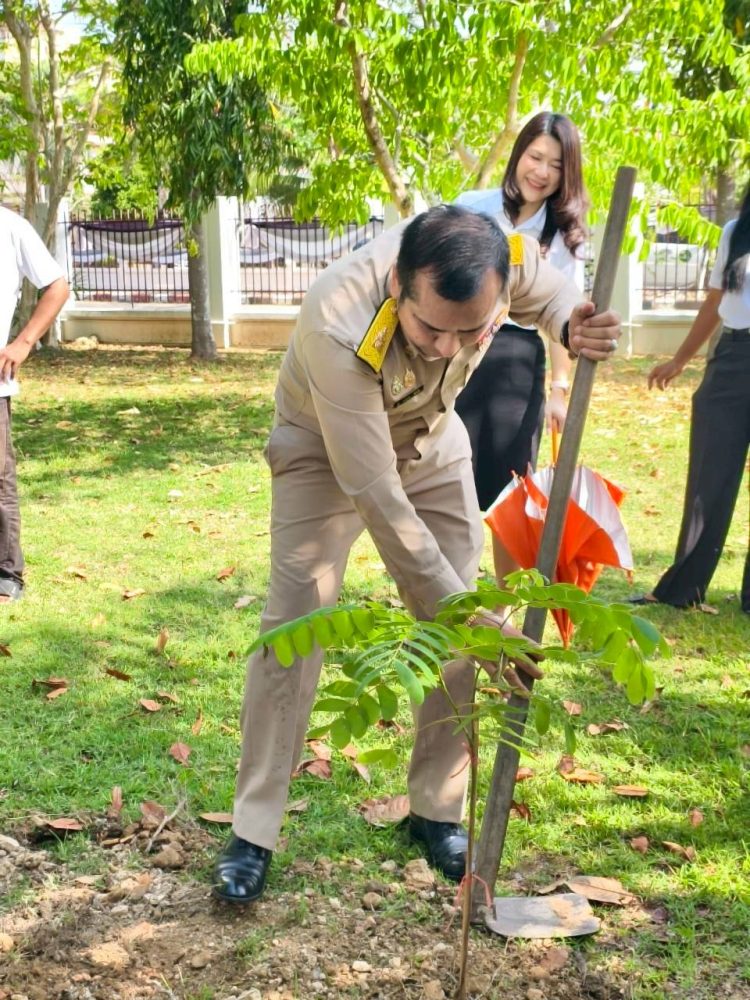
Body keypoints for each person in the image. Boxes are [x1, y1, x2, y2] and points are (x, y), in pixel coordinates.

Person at [212, 205, 620, 904]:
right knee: (297, 620)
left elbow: (550, 290)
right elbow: (377, 496)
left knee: (456, 613)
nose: (445, 347)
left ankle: (436, 808)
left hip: (432, 439)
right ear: (399, 285)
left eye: (470, 332)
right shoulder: (337, 322)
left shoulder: (504, 258)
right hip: (325, 451)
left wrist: (569, 323)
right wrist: (460, 610)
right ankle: (254, 830)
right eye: (430, 328)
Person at [454, 112, 588, 582]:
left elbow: (564, 317)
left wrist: (559, 389)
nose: (542, 171)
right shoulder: (471, 207)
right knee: (451, 478)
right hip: (460, 355)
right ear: (518, 155)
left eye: (556, 164)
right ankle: (452, 593)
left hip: (517, 363)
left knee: (509, 489)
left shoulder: (565, 237)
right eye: (535, 157)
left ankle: (504, 603)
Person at [633, 185, 750, 612]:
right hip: (733, 357)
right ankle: (682, 588)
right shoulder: (736, 232)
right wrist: (680, 360)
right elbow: (716, 301)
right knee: (709, 475)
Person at [0, 207, 69, 603]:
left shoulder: (11, 228)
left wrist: (23, 343)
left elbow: (57, 286)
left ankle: (6, 573)